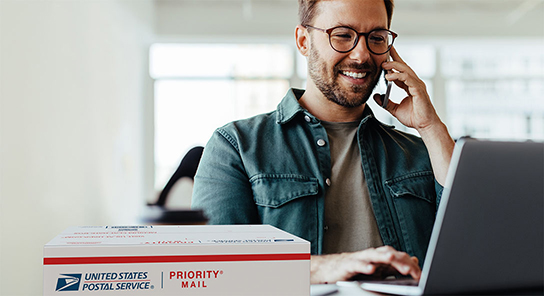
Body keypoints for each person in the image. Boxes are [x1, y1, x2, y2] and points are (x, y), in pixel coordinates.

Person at [192, 0, 455, 284]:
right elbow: (214, 270)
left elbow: (473, 242)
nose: (361, 55)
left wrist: (430, 127)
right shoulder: (235, 147)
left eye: (376, 38)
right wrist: (325, 267)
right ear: (304, 41)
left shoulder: (420, 153)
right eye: (343, 35)